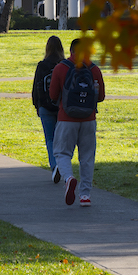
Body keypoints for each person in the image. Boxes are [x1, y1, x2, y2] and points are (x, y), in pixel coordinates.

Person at [48, 38, 105, 207]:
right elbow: (100, 97)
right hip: (89, 119)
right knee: (87, 157)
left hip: (66, 118)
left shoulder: (61, 68)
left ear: (71, 51)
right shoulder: (94, 69)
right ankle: (85, 195)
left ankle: (68, 178)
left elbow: (52, 95)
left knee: (61, 152)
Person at [32, 35, 66, 183]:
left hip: (45, 106)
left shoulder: (42, 65)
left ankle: (54, 166)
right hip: (61, 107)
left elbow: (35, 87)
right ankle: (63, 165)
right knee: (62, 139)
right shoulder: (64, 65)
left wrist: (37, 105)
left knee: (50, 139)